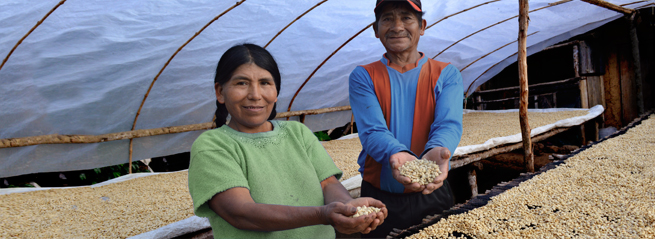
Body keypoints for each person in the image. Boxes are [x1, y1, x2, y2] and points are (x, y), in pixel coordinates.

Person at [188, 43, 387, 239]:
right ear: (220, 92)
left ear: (276, 91)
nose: (255, 95)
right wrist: (323, 214)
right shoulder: (213, 146)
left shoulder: (297, 132)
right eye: (242, 83)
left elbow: (328, 184)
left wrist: (348, 208)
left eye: (265, 83)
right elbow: (242, 213)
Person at [348, 0, 463, 237]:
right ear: (376, 29)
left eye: (407, 18)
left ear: (422, 26)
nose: (397, 26)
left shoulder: (445, 73)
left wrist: (438, 150)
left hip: (432, 192)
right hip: (379, 195)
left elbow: (448, 124)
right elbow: (372, 131)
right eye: (387, 18)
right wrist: (397, 156)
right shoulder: (363, 76)